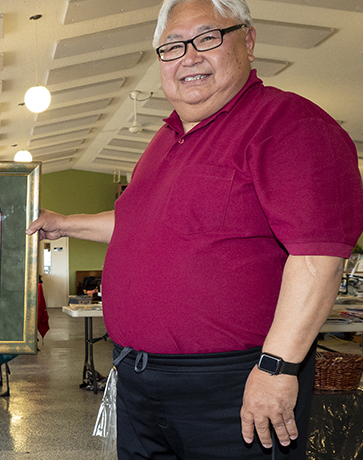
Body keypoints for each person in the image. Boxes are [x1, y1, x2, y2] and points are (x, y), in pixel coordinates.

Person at [27, 1, 363, 458]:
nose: (188, 56)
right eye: (171, 46)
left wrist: (277, 367)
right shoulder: (164, 139)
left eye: (207, 38)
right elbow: (136, 225)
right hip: (138, 381)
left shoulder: (289, 124)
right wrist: (63, 224)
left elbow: (318, 255)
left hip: (233, 385)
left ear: (247, 39)